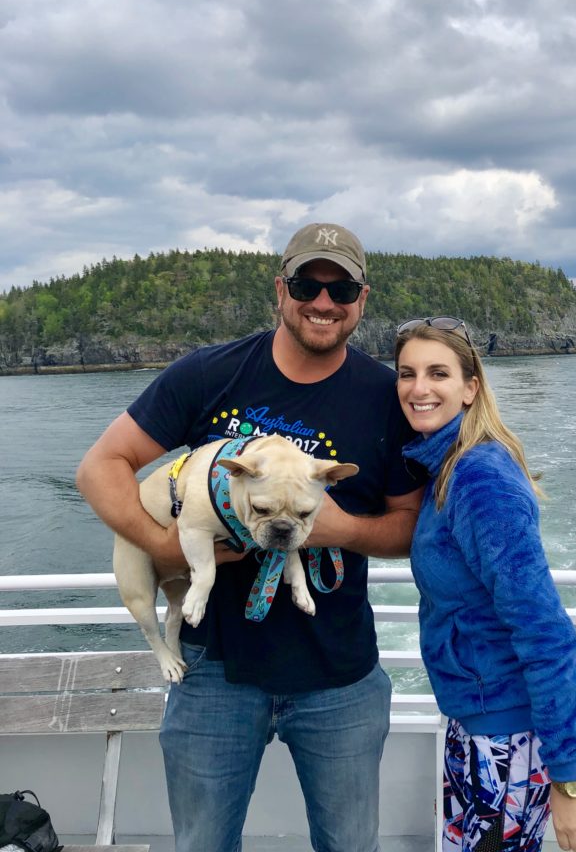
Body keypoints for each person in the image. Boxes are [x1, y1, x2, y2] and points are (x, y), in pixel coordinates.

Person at [76, 223, 424, 852]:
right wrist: (162, 547)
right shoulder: (210, 374)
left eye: (340, 288)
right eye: (306, 284)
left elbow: (409, 526)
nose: (323, 301)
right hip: (211, 670)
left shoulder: (385, 396)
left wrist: (338, 529)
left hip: (338, 674)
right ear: (280, 290)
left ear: (362, 299)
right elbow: (99, 468)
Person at [394, 317, 576, 852]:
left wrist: (569, 777)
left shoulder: (478, 478)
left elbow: (543, 627)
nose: (419, 388)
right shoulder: (446, 466)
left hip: (506, 740)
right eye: (407, 374)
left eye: (438, 373)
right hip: (477, 722)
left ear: (470, 387)